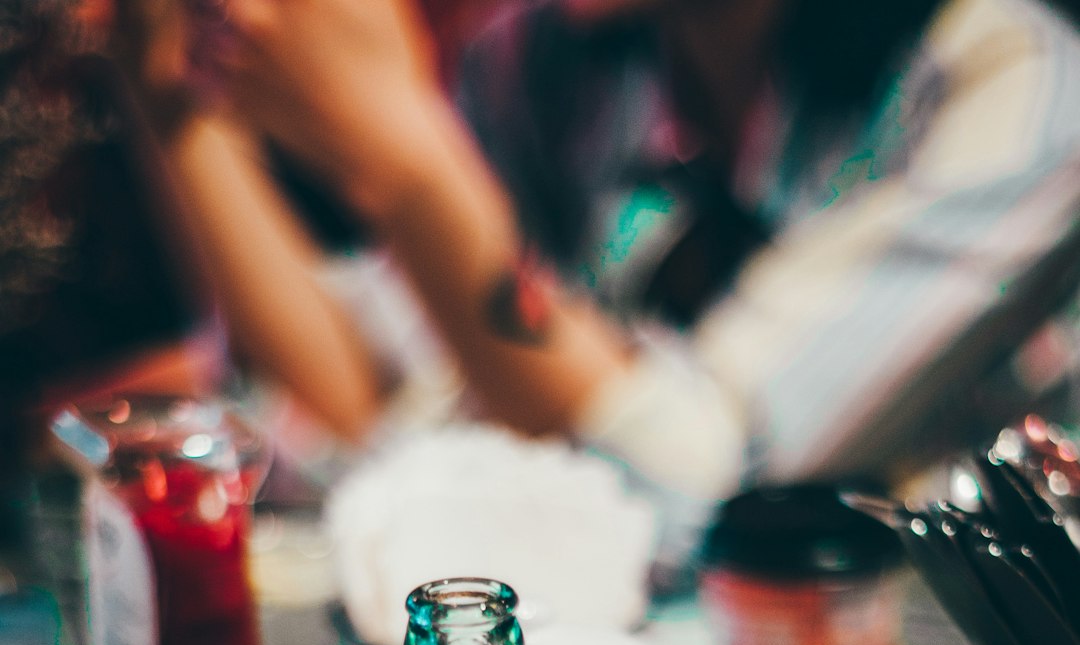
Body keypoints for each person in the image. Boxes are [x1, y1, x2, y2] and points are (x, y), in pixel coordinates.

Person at [114, 0, 1080, 560]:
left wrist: (409, 163)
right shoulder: (542, 62)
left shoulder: (1021, 83)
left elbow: (713, 491)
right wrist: (174, 102)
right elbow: (374, 408)